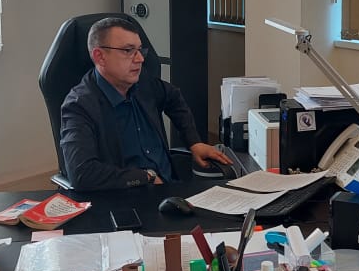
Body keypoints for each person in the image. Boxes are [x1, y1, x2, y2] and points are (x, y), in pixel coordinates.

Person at [60, 17, 232, 190]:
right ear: (100, 57)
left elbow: (174, 98)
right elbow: (81, 174)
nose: (140, 59)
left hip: (170, 189)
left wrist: (194, 142)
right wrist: (145, 177)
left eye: (139, 50)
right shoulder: (79, 106)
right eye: (128, 50)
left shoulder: (141, 81)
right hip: (127, 197)